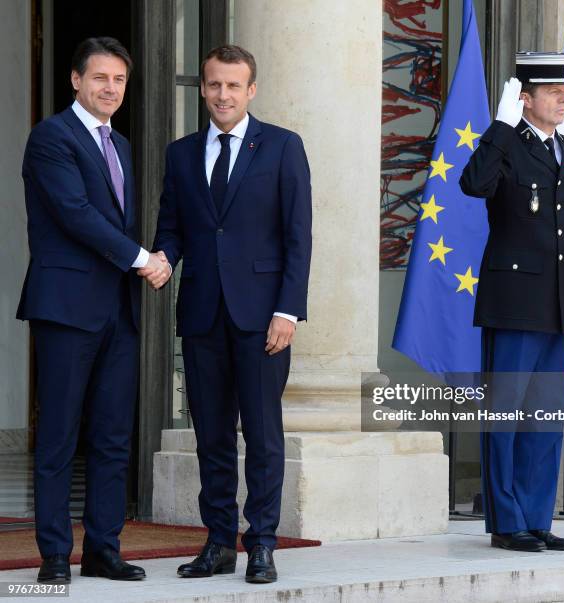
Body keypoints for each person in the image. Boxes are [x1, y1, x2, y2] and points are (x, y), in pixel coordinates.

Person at [141, 45, 311, 583]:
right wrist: (164, 253)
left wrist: (288, 311)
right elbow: (172, 224)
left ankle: (261, 542)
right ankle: (218, 542)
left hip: (264, 319)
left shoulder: (283, 147)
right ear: (203, 89)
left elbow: (297, 238)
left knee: (262, 436)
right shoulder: (181, 153)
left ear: (251, 89)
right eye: (214, 85)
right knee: (211, 437)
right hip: (201, 316)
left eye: (233, 86)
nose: (222, 95)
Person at [17, 37, 169, 583]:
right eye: (100, 78)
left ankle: (103, 548)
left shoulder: (122, 145)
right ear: (75, 81)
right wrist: (142, 259)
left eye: (120, 80)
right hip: (66, 309)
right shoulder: (51, 138)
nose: (111, 88)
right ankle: (55, 554)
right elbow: (76, 214)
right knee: (58, 434)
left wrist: (146, 261)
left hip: (118, 311)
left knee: (112, 436)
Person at [460, 52, 564, 552]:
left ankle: (537, 516)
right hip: (513, 301)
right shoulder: (506, 144)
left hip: (556, 302)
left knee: (547, 417)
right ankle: (506, 521)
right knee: (505, 416)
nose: (562, 98)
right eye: (552, 92)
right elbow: (473, 185)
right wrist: (499, 126)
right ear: (525, 98)